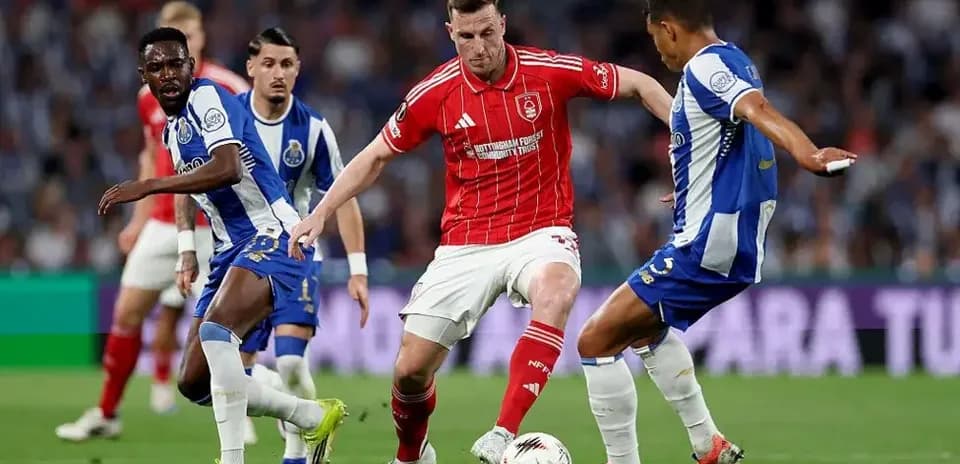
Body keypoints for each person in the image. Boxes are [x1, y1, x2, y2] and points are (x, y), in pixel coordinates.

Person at [286, 1, 673, 462]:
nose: (479, 47)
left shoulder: (548, 71)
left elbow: (640, 83)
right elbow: (375, 155)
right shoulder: (437, 91)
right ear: (451, 32)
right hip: (466, 242)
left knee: (556, 289)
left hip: (542, 229)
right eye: (466, 36)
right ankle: (412, 454)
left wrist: (686, 142)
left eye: (487, 33)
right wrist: (321, 212)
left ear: (503, 25)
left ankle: (503, 432)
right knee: (409, 371)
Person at [575, 1, 857, 463]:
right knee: (645, 331)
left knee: (594, 340)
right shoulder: (735, 58)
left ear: (668, 29)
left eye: (654, 39)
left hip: (706, 244)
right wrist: (691, 187)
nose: (658, 50)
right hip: (728, 241)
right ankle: (708, 444)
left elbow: (756, 109)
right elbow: (732, 138)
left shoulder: (706, 68)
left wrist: (807, 153)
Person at [98, 27, 346, 464]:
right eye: (156, 68)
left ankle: (231, 459)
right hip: (229, 251)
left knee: (217, 334)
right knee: (194, 383)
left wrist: (148, 184)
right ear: (145, 77)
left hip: (275, 233)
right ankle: (309, 415)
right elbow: (187, 191)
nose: (168, 74)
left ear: (191, 66)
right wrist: (186, 249)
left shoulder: (206, 97)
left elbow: (228, 167)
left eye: (176, 63)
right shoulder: (174, 133)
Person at [54, 0, 255, 444]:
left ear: (197, 40)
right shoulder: (149, 96)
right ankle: (107, 412)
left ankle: (244, 413)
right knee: (126, 313)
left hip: (219, 226)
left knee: (229, 327)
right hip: (166, 219)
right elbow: (153, 155)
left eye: (186, 38)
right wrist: (139, 219)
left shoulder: (229, 87)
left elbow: (247, 155)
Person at [233, 27, 370, 464]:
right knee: (234, 379)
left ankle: (298, 450)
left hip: (296, 257)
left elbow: (342, 200)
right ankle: (289, 402)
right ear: (251, 67)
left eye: (287, 64)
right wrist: (186, 247)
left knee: (292, 362)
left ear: (298, 70)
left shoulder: (312, 129)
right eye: (269, 64)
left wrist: (359, 269)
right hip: (243, 259)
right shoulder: (228, 119)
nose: (278, 73)